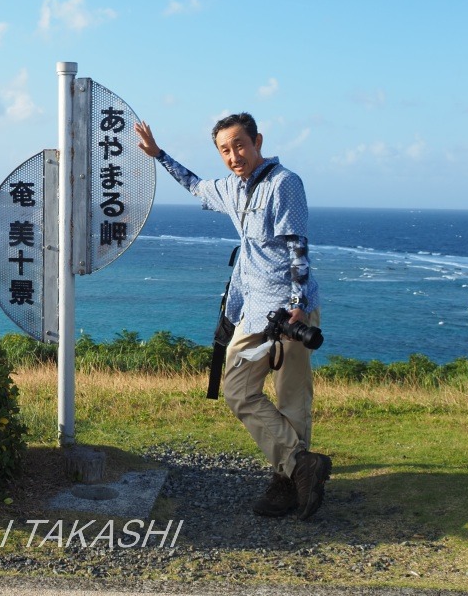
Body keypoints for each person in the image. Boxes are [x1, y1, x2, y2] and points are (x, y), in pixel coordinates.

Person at [134, 114, 331, 520]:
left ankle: (286, 482)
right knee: (238, 390)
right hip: (255, 308)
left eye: (240, 144)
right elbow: (194, 185)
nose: (234, 155)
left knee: (292, 396)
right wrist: (158, 155)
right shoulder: (231, 188)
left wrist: (298, 302)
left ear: (257, 141)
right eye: (225, 149)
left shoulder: (284, 183)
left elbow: (297, 245)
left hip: (289, 309)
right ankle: (300, 465)